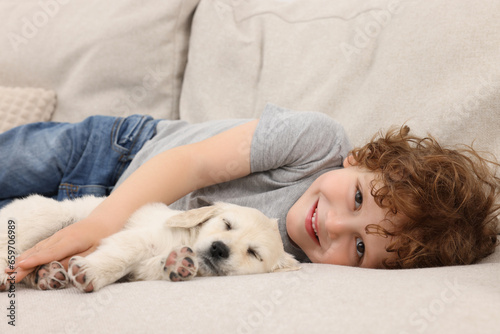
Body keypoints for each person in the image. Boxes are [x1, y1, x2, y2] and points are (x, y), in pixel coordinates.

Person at [2, 104, 499, 282]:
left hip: (115, 227)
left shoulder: (284, 265)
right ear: (362, 159)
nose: (331, 226)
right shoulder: (316, 141)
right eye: (357, 200)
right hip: (113, 153)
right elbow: (188, 163)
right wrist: (99, 224)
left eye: (361, 247)